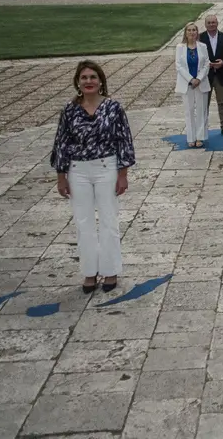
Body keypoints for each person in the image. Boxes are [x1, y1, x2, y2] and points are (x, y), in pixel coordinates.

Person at [52, 60, 136, 293]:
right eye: (84, 78)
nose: (88, 81)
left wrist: (123, 174)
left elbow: (124, 141)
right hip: (78, 170)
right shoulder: (69, 110)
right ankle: (89, 272)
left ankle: (110, 270)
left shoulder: (113, 108)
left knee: (109, 221)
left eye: (92, 77)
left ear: (100, 81)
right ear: (78, 82)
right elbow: (61, 143)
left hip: (105, 167)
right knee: (83, 223)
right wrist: (61, 176)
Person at [176, 22, 211, 148]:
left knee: (201, 110)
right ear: (186, 33)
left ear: (197, 32)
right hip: (187, 83)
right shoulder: (180, 47)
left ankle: (200, 137)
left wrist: (199, 78)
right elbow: (179, 66)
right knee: (189, 110)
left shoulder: (202, 46)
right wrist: (191, 79)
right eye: (189, 30)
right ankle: (190, 137)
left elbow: (207, 64)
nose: (192, 32)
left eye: (194, 30)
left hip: (201, 83)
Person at [202, 14, 223, 137]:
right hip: (206, 76)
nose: (211, 24)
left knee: (222, 102)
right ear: (205, 24)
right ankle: (203, 127)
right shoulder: (200, 38)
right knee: (204, 103)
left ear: (217, 23)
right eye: (209, 23)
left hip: (221, 75)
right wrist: (206, 64)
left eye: (213, 22)